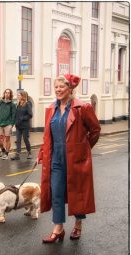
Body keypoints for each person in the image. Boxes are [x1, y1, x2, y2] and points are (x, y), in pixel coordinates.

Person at [37, 74, 100, 243]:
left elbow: (95, 130)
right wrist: (42, 153)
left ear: (70, 89)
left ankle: (78, 224)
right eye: (56, 87)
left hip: (75, 159)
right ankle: (58, 228)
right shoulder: (51, 108)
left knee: (77, 193)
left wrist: (83, 149)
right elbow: (47, 136)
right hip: (56, 159)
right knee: (56, 192)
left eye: (61, 87)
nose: (57, 90)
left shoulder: (83, 108)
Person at [0, 88, 16, 159]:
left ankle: (6, 153)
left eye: (8, 93)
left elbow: (13, 115)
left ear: (10, 95)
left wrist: (12, 124)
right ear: (4, 94)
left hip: (8, 124)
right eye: (6, 93)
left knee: (7, 139)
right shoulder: (0, 102)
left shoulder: (12, 104)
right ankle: (3, 149)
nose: (7, 94)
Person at [11, 90, 33, 160]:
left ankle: (29, 153)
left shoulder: (27, 104)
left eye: (19, 95)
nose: (18, 96)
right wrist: (15, 121)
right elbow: (16, 114)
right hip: (18, 125)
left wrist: (22, 118)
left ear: (23, 96)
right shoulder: (18, 104)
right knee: (18, 140)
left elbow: (30, 115)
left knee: (25, 139)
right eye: (18, 95)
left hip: (25, 126)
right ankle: (17, 155)